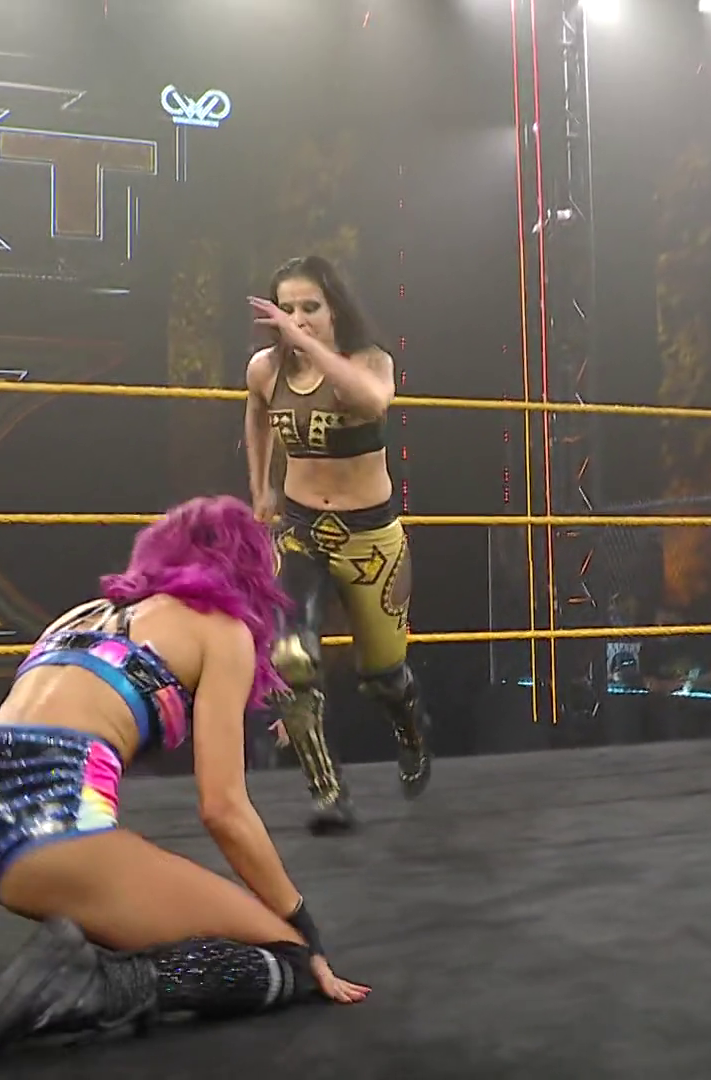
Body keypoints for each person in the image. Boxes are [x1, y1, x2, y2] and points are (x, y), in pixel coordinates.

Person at [0, 498, 369, 1074]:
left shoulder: (80, 614)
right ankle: (94, 984)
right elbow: (223, 808)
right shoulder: (222, 631)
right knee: (283, 961)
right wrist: (301, 926)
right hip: (44, 819)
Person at [244, 254, 431, 834]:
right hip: (301, 530)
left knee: (384, 676)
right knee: (290, 659)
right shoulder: (264, 370)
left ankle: (410, 730)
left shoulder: (371, 361)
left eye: (310, 307)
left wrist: (307, 344)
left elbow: (371, 402)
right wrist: (260, 488)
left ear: (334, 310)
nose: (296, 319)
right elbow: (256, 415)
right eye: (287, 308)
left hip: (369, 538)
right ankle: (327, 792)